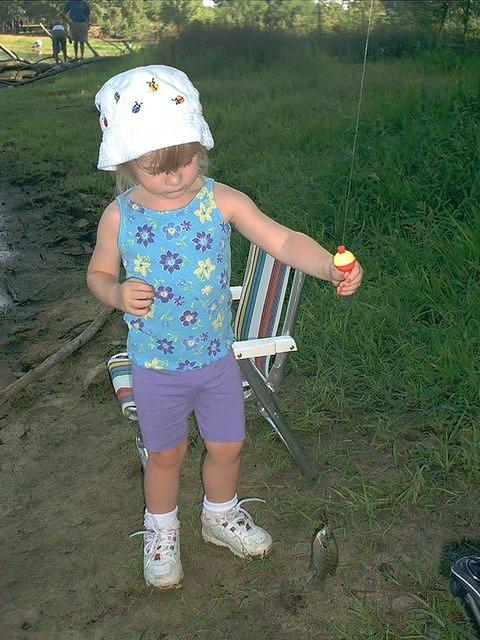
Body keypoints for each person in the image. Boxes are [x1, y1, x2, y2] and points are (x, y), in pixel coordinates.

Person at [87, 65, 363, 590]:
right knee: (165, 455)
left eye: (186, 159)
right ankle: (161, 529)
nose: (175, 176)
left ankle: (219, 515)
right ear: (125, 163)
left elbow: (281, 241)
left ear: (201, 145)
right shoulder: (118, 216)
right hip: (155, 364)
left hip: (216, 359)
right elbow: (98, 274)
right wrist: (116, 292)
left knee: (228, 446)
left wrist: (329, 265)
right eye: (155, 166)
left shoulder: (221, 200)